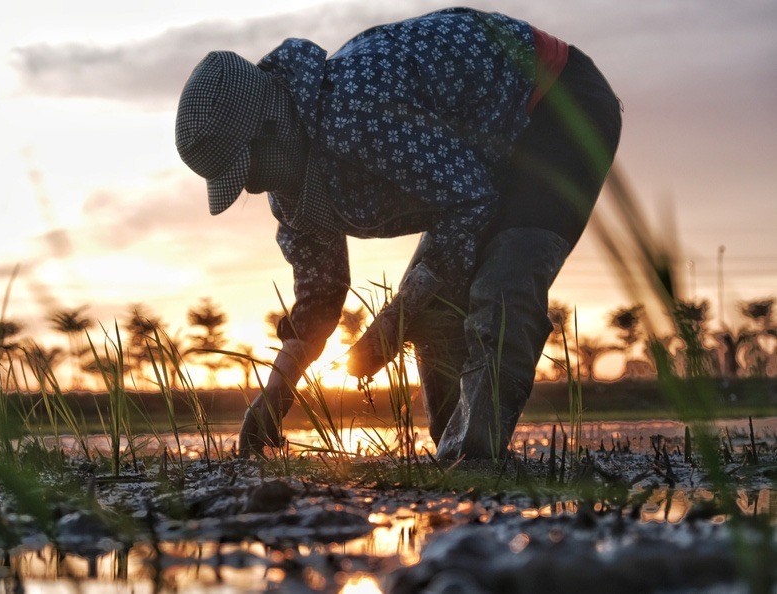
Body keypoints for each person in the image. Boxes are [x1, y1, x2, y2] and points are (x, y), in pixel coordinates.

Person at [174, 7, 621, 459]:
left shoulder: (356, 107)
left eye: (244, 170)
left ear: (269, 129)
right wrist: (276, 392)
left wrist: (394, 321)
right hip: (483, 157)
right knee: (434, 300)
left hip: (555, 105)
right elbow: (320, 294)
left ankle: (476, 461)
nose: (249, 186)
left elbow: (470, 200)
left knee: (505, 279)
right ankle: (455, 450)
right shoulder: (293, 195)